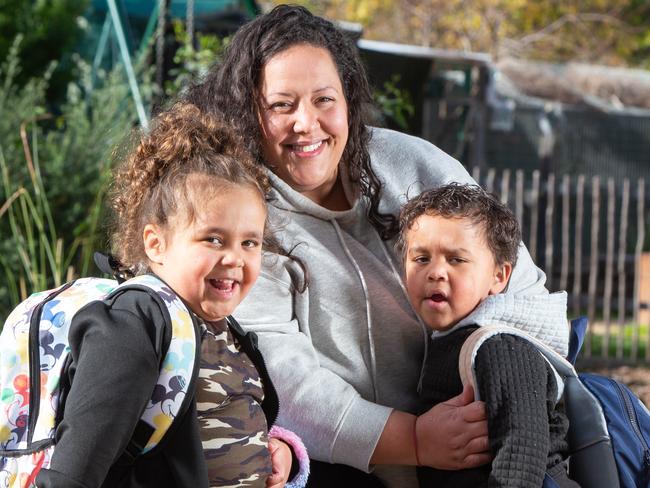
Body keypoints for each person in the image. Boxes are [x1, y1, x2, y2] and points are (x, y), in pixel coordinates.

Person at [185, 5, 569, 487]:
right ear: (249, 112)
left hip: (485, 434)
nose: (307, 123)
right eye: (282, 105)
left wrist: (483, 377)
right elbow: (283, 377)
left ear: (348, 99)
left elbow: (519, 287)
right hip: (354, 462)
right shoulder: (244, 215)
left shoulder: (410, 165)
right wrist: (415, 440)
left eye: (324, 99)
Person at [35, 103, 309, 488]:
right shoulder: (136, 323)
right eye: (213, 238)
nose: (234, 257)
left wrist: (277, 452)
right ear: (156, 243)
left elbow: (221, 419)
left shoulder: (224, 329)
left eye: (250, 242)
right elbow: (75, 471)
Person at [398, 183, 577, 488]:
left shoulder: (500, 347)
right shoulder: (447, 341)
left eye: (456, 260)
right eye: (421, 258)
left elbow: (522, 456)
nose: (436, 272)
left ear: (499, 276)